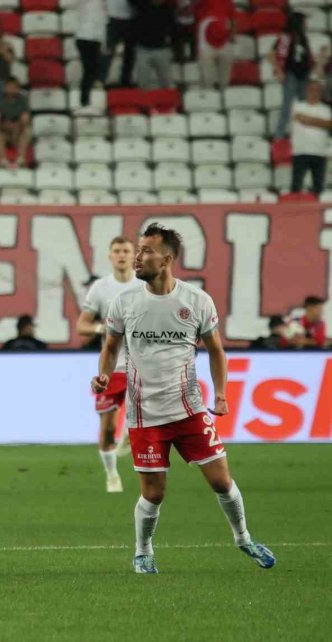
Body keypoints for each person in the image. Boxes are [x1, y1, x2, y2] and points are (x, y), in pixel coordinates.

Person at [92, 223, 275, 574]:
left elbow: (217, 351)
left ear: (167, 259)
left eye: (146, 251)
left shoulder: (196, 300)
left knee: (222, 481)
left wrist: (220, 394)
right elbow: (111, 345)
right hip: (144, 415)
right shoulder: (124, 301)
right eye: (137, 249)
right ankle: (143, 550)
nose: (137, 258)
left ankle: (244, 539)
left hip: (189, 410)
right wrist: (104, 373)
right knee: (154, 493)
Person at [77, 236, 140, 493]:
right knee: (107, 429)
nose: (121, 255)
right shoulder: (100, 288)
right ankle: (112, 475)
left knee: (144, 413)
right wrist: (102, 327)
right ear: (110, 256)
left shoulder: (145, 285)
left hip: (141, 363)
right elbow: (81, 326)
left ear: (134, 255)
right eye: (117, 251)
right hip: (111, 365)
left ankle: (131, 429)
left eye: (126, 250)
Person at [269, 12, 314, 140]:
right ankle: (278, 137)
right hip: (291, 75)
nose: (306, 23)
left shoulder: (303, 37)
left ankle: (303, 135)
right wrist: (279, 71)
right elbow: (271, 54)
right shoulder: (286, 37)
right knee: (286, 108)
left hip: (304, 75)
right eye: (304, 21)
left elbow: (307, 57)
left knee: (304, 108)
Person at [290, 80, 331, 197]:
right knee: (296, 185)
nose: (314, 93)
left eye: (317, 90)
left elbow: (328, 124)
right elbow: (301, 118)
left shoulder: (325, 109)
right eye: (312, 90)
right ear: (307, 91)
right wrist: (320, 122)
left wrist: (310, 120)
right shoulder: (298, 106)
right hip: (301, 151)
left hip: (319, 152)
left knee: (318, 187)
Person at [132, 0, 175, 90]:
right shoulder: (141, 5)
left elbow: (173, 29)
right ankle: (144, 102)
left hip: (162, 49)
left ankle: (168, 102)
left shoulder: (169, 9)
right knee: (143, 83)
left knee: (166, 83)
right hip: (142, 49)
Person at [74, 0, 107, 115]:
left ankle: (90, 100)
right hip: (85, 37)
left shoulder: (103, 5)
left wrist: (103, 42)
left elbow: (102, 23)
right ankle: (84, 101)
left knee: (93, 71)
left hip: (96, 39)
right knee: (89, 71)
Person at [195, 0, 235, 89]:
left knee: (225, 80)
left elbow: (232, 19)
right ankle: (209, 99)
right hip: (206, 42)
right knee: (207, 80)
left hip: (224, 41)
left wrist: (232, 36)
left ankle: (224, 97)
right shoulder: (201, 3)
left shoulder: (228, 2)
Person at [0, 77, 31, 168]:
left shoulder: (22, 100)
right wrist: (3, 126)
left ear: (18, 88)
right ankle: (3, 160)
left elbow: (26, 118)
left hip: (18, 129)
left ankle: (20, 159)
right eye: (8, 87)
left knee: (27, 132)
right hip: (3, 129)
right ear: (4, 88)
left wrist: (17, 126)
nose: (11, 89)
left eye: (14, 87)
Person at [100, 0, 136, 87]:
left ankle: (126, 81)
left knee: (130, 54)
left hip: (131, 19)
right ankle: (100, 80)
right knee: (108, 51)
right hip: (113, 17)